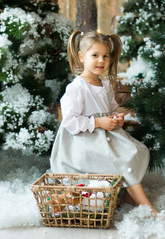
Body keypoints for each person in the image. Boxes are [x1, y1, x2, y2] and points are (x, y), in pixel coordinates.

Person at [50, 30, 158, 217]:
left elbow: (112, 108)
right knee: (123, 160)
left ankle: (128, 197)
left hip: (107, 134)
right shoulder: (77, 87)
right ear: (82, 57)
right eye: (95, 55)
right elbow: (69, 120)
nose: (101, 61)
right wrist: (99, 121)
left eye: (105, 56)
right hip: (84, 140)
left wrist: (117, 117)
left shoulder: (105, 84)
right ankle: (149, 210)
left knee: (136, 150)